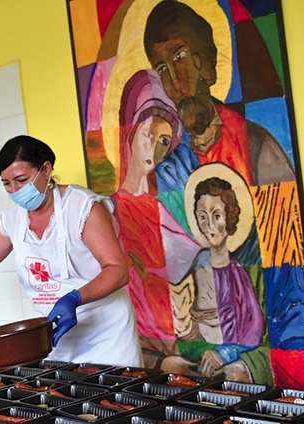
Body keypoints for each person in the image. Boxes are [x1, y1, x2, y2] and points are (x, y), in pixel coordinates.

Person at [0, 135, 142, 366]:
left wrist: (74, 298)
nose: (15, 190)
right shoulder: (12, 218)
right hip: (54, 334)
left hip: (106, 333)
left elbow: (117, 271)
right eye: (7, 184)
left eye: (21, 180)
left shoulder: (82, 206)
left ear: (46, 169)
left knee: (114, 400)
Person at [143, 0, 295, 190]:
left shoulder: (253, 143)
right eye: (162, 69)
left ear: (207, 60)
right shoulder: (167, 161)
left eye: (180, 57)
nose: (175, 82)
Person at [111, 69, 201, 368]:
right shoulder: (108, 211)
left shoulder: (168, 206)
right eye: (149, 134)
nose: (155, 148)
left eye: (165, 141)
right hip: (137, 342)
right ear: (131, 132)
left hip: (179, 336)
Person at [165, 165, 268, 382]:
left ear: (229, 218)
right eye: (202, 216)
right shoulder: (196, 264)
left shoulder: (237, 272)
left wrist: (223, 353)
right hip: (197, 354)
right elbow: (183, 318)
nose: (209, 225)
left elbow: (253, 331)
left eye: (217, 215)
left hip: (225, 356)